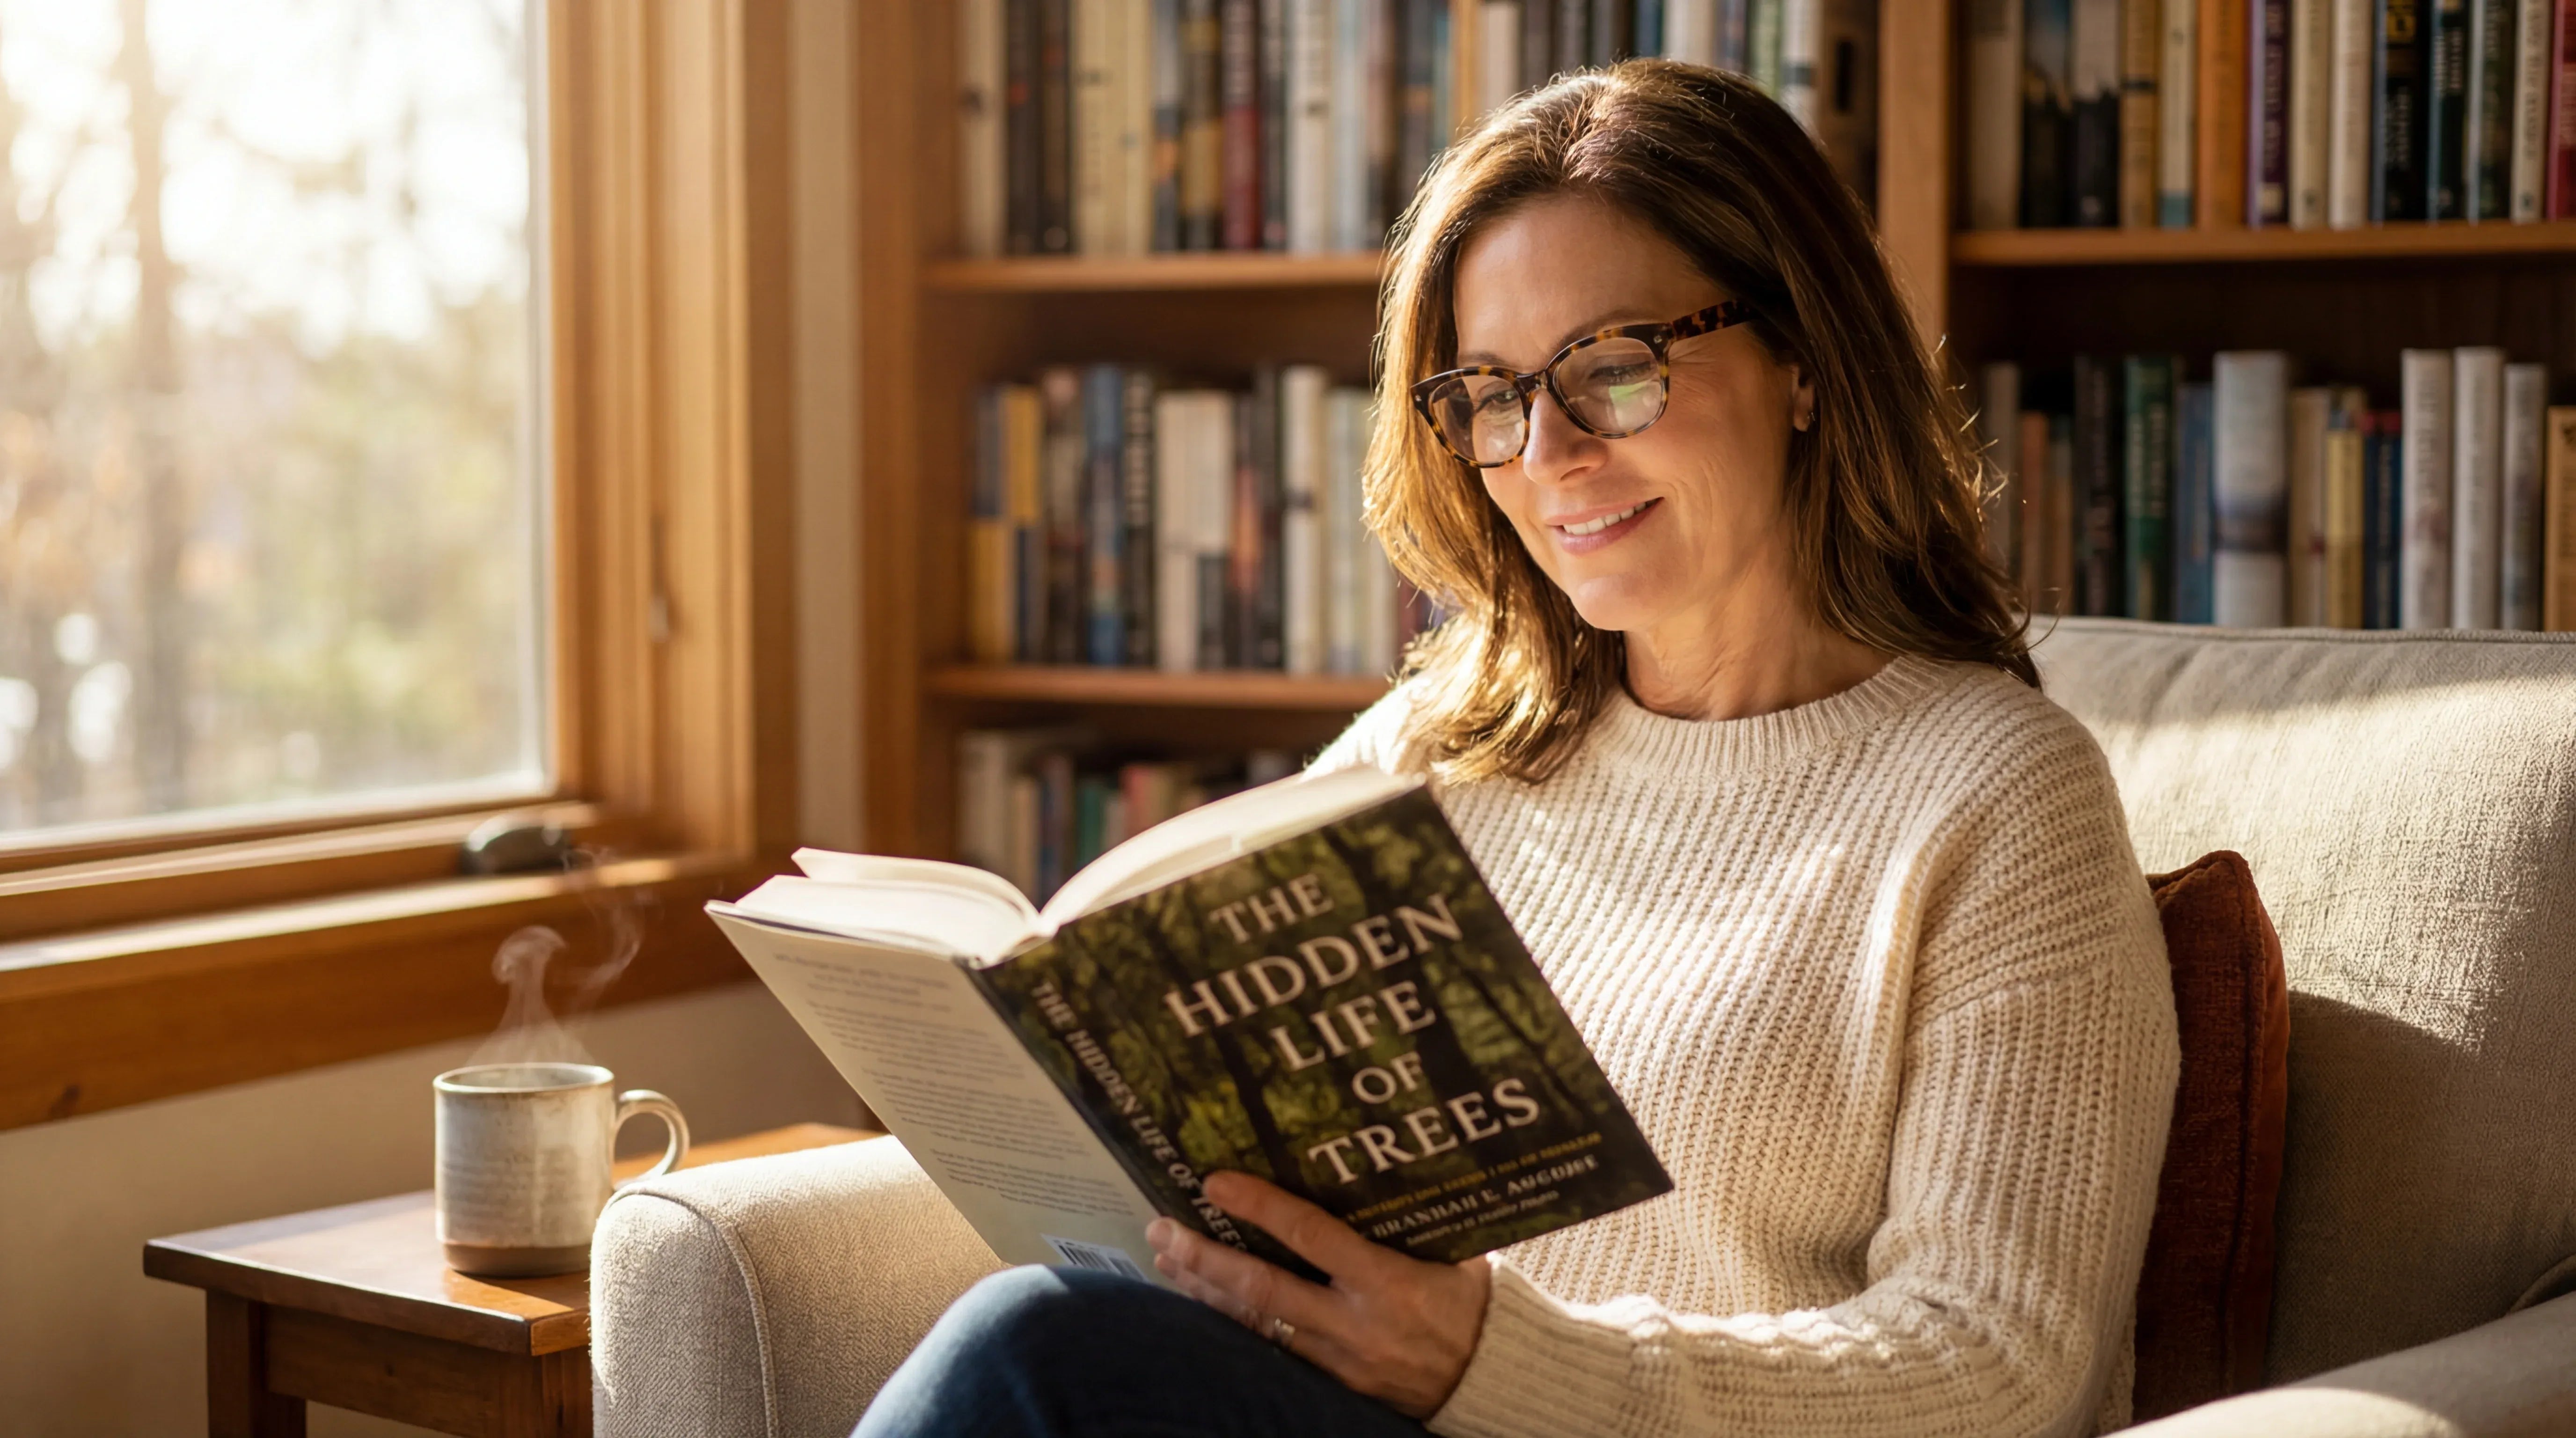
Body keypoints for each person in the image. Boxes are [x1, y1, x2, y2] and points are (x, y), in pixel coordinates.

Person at [855, 59, 2180, 1438]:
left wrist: (1499, 1364)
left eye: (1614, 370)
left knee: (1036, 1354)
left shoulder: (1997, 798)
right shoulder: (1444, 743)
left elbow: (2004, 1360)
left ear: (1803, 363)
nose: (1546, 451)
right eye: (1488, 395)